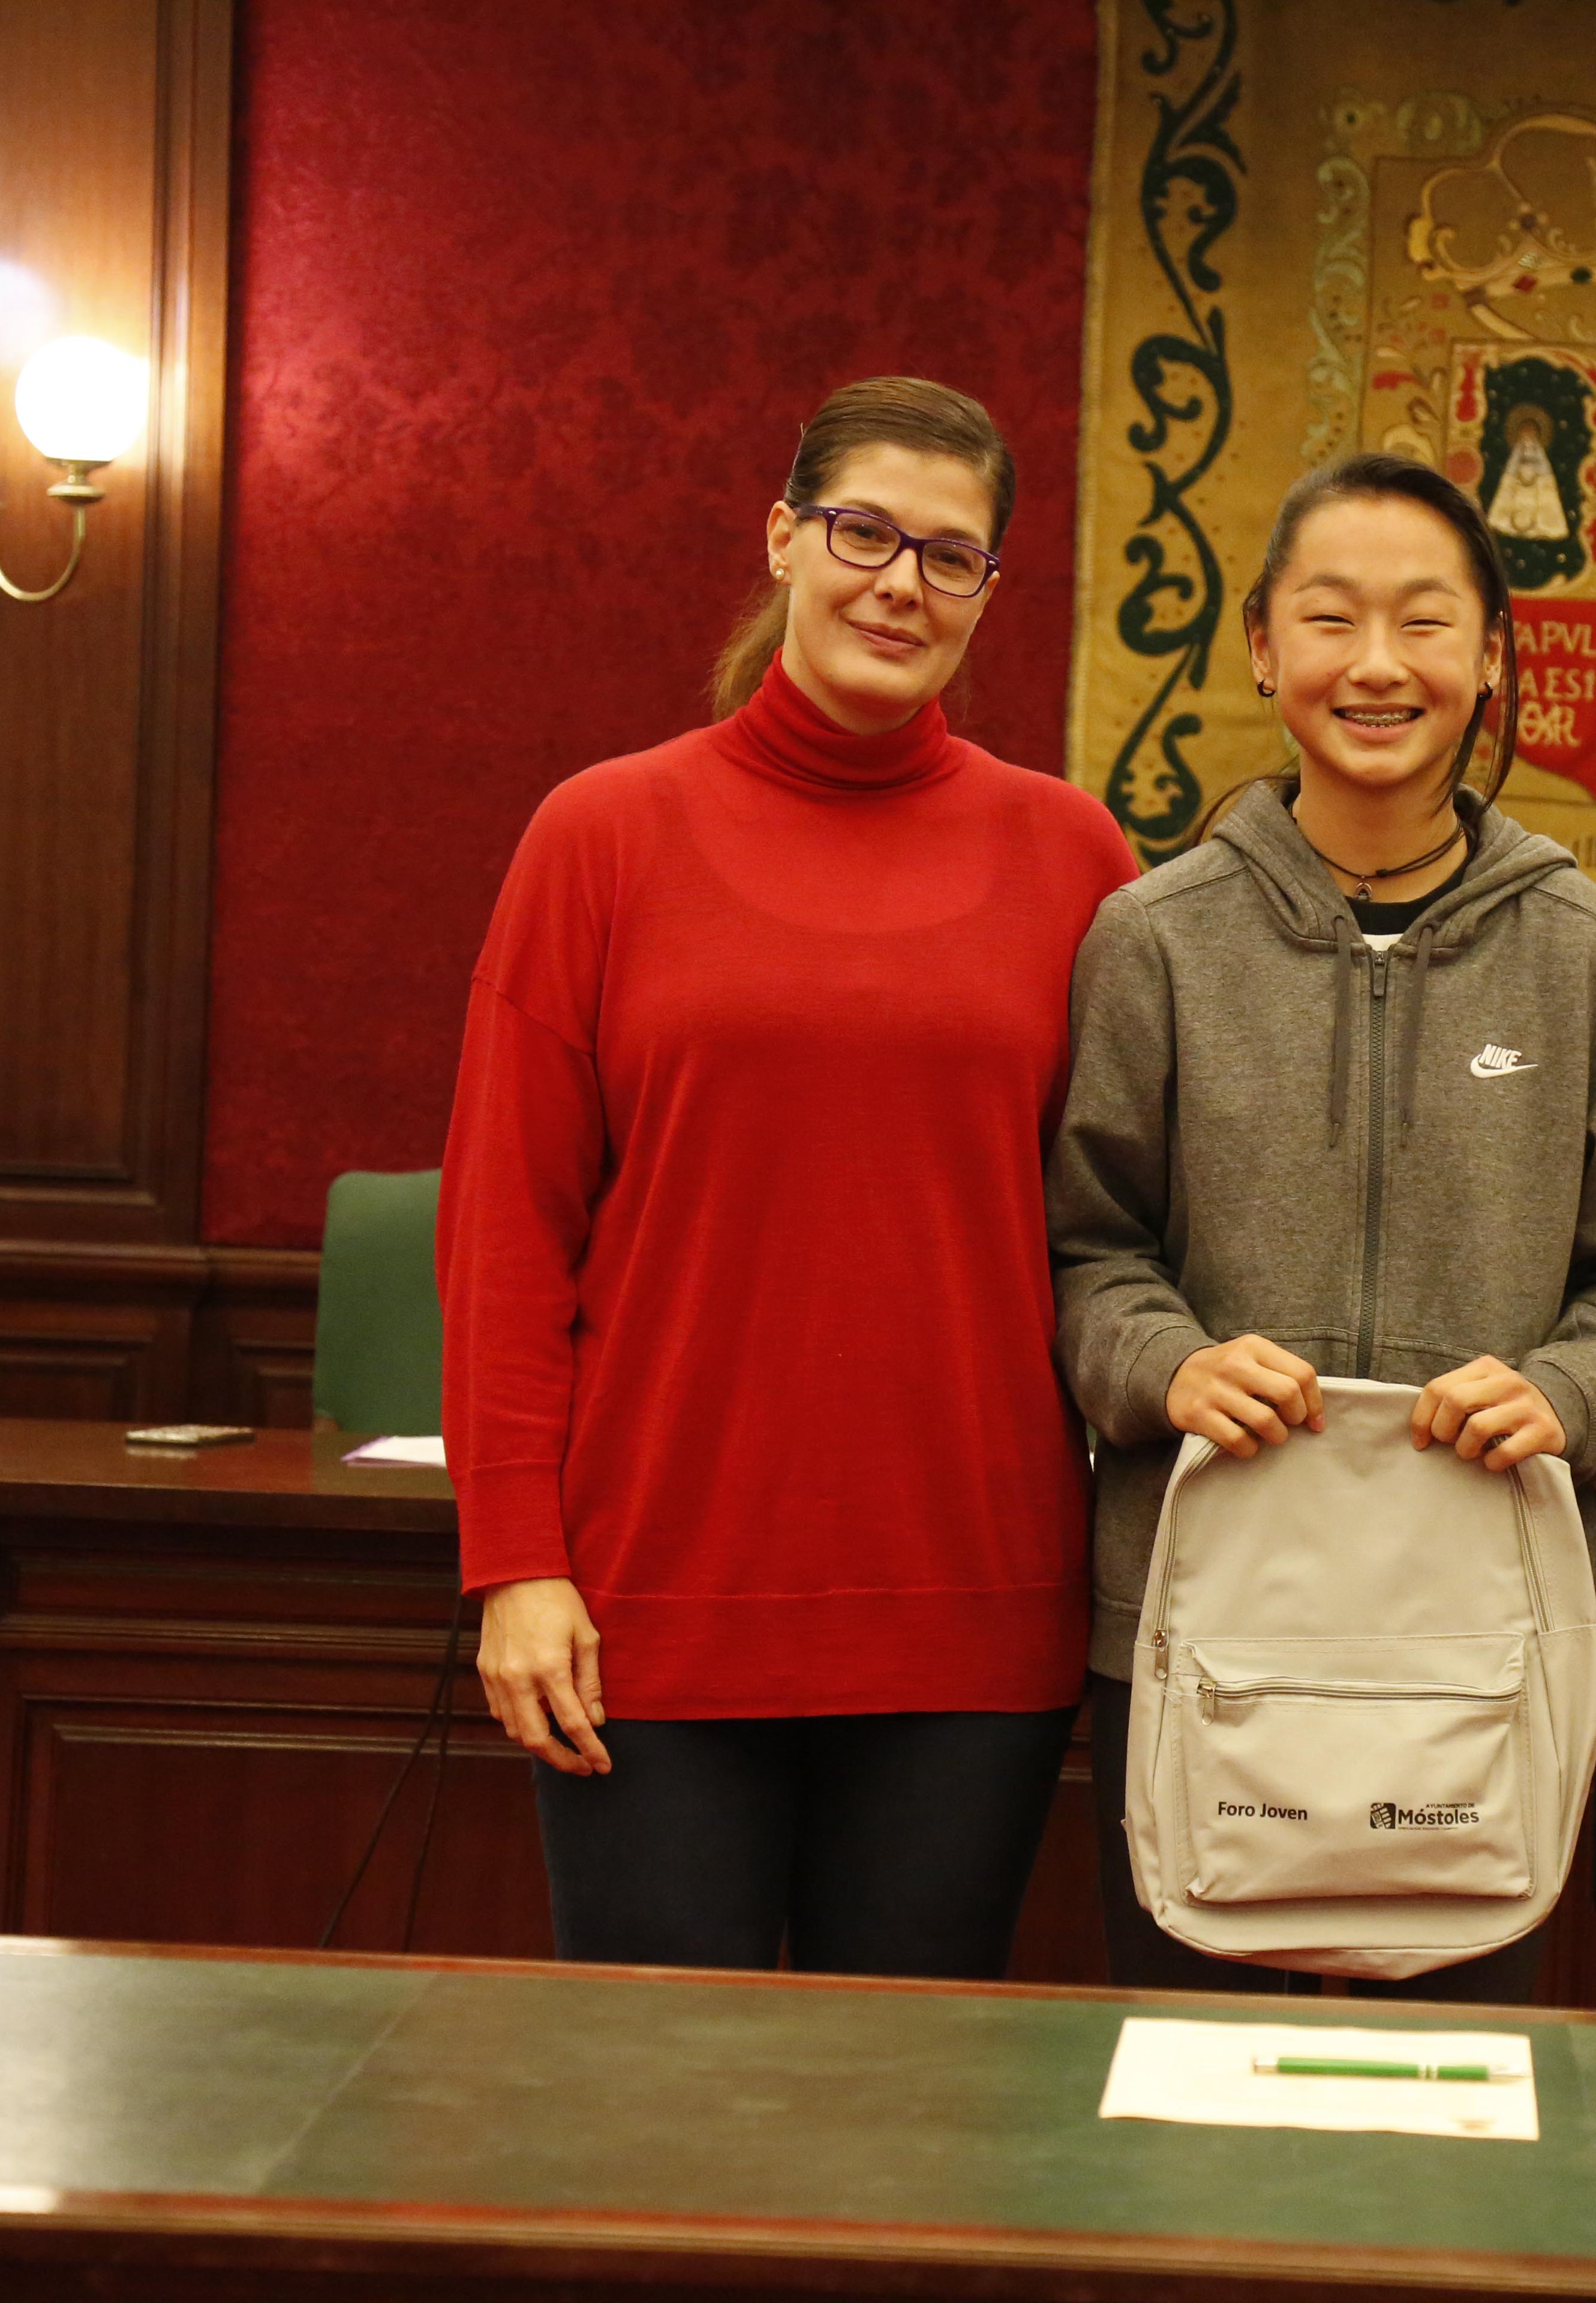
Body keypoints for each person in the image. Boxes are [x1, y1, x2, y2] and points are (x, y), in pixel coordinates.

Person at [441, 376, 1140, 1979]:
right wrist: (517, 1566)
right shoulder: (601, 834)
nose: (900, 584)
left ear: (987, 590)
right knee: (656, 2096)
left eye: (949, 556)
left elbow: (1128, 1230)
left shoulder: (1074, 858)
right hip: (650, 1611)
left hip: (971, 1613)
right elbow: (503, 1238)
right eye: (863, 533)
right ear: (782, 538)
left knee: (905, 2103)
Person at [1048, 451, 1596, 2004]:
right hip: (1203, 1625)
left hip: (1484, 1632)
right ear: (1262, 647)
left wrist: (1570, 1390)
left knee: (1453, 2123)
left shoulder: (1590, 950)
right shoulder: (1154, 939)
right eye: (1331, 618)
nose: (1377, 664)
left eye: (1424, 621)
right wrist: (1165, 1363)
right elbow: (1086, 1249)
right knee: (1193, 2103)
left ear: (1493, 658)